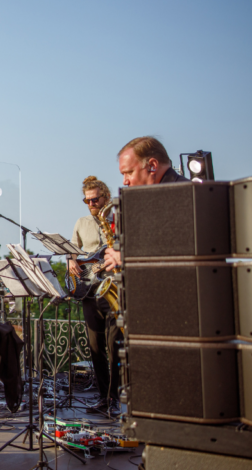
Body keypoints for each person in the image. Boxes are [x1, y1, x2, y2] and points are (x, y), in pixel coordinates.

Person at [68, 176, 122, 412]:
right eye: (87, 201)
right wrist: (70, 261)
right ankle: (103, 397)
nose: (91, 204)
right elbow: (72, 250)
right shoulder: (81, 222)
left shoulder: (118, 219)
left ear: (106, 197)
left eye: (95, 200)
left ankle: (115, 397)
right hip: (90, 291)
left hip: (113, 289)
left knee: (115, 346)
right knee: (96, 347)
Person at [103, 136, 189, 271]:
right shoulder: (153, 199)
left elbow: (182, 248)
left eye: (129, 172)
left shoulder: (184, 193)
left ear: (152, 166)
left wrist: (126, 257)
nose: (125, 181)